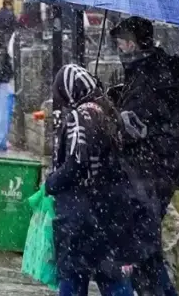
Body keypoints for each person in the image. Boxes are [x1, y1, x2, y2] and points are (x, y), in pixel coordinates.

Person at [48, 64, 159, 296]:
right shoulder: (108, 111)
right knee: (112, 278)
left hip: (80, 218)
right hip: (110, 215)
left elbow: (76, 165)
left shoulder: (80, 117)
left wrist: (52, 182)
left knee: (73, 279)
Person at [107, 16, 179, 296]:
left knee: (143, 250)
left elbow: (136, 125)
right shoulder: (154, 69)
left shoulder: (148, 76)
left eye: (121, 42)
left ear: (132, 44)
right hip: (160, 169)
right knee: (144, 249)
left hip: (150, 172)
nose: (118, 48)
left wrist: (113, 114)